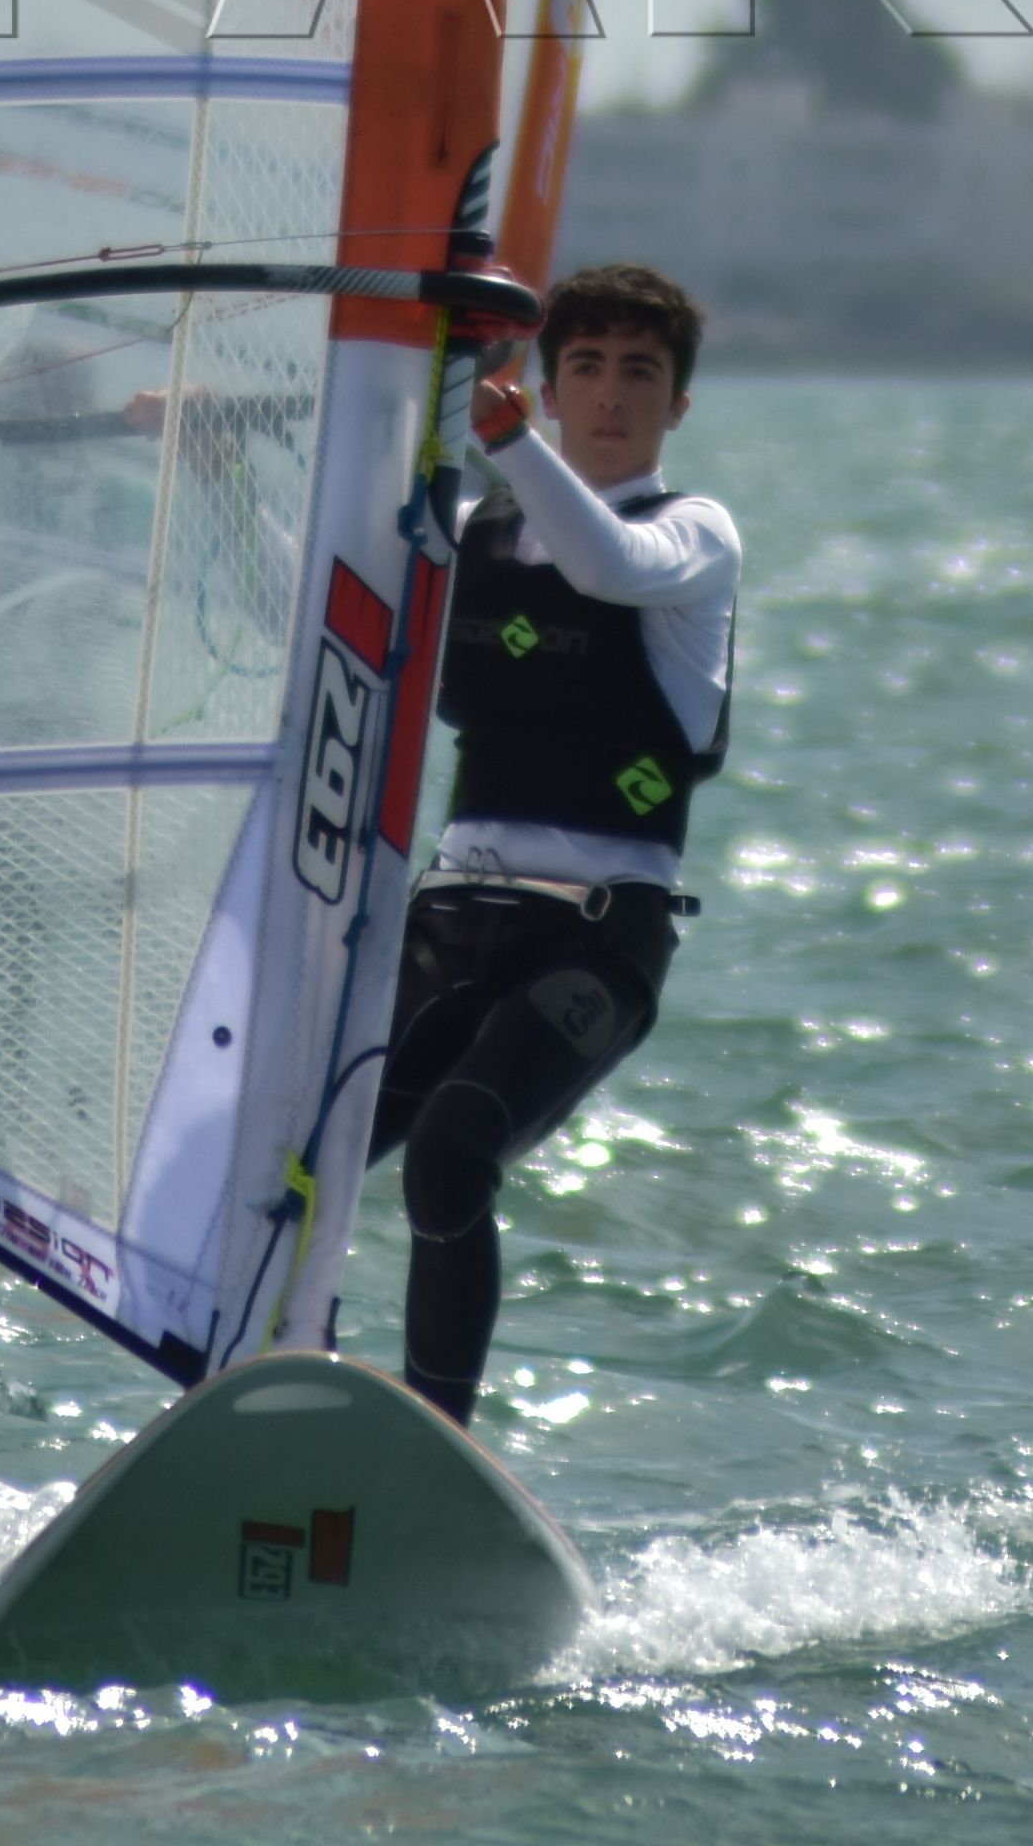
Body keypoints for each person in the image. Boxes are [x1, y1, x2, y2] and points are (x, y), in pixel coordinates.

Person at [372, 261, 739, 1430]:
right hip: (452, 917)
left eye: (642, 371)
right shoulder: (477, 528)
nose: (612, 393)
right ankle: (264, 1369)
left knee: (454, 1147)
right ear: (550, 378)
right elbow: (352, 594)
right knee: (299, 1146)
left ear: (678, 402)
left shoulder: (692, 535)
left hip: (598, 940)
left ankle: (436, 1435)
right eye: (586, 366)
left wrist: (502, 435)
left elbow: (604, 567)